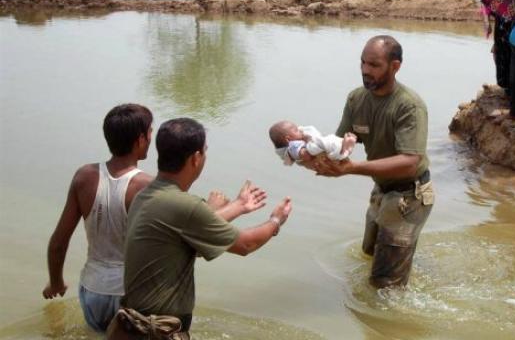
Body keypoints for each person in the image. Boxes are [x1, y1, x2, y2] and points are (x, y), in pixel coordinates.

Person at [108, 118, 292, 339]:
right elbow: (246, 244)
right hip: (155, 333)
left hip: (132, 328)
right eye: (204, 151)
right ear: (196, 158)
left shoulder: (147, 196)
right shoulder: (182, 205)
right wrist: (276, 220)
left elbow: (187, 237)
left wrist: (238, 206)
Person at [312, 35, 435, 289]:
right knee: (369, 254)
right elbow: (338, 144)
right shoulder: (357, 99)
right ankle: (405, 263)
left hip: (409, 196)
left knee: (384, 285)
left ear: (395, 66)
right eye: (363, 63)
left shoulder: (409, 106)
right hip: (381, 192)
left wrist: (353, 168)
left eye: (374, 65)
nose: (366, 71)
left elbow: (410, 162)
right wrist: (306, 150)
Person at [42, 104, 154, 332]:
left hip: (93, 289)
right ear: (140, 139)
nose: (152, 136)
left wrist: (56, 281)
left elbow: (58, 243)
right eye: (151, 131)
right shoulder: (147, 186)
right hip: (130, 292)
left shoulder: (85, 177)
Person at [269, 120, 357, 166]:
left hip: (326, 157)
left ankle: (345, 148)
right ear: (288, 139)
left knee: (328, 143)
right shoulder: (293, 146)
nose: (300, 131)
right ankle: (344, 146)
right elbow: (305, 155)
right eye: (296, 130)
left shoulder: (294, 145)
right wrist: (308, 141)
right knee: (324, 141)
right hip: (320, 156)